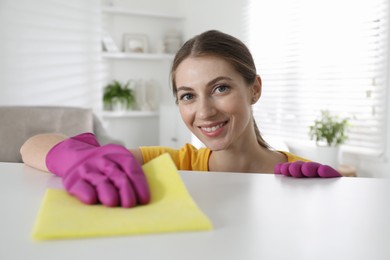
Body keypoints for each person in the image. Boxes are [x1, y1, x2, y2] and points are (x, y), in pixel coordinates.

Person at [20, 30, 341, 208]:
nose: (204, 112)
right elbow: (31, 146)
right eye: (188, 95)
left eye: (220, 88)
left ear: (254, 89)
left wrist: (329, 201)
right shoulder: (172, 165)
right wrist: (72, 158)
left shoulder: (304, 177)